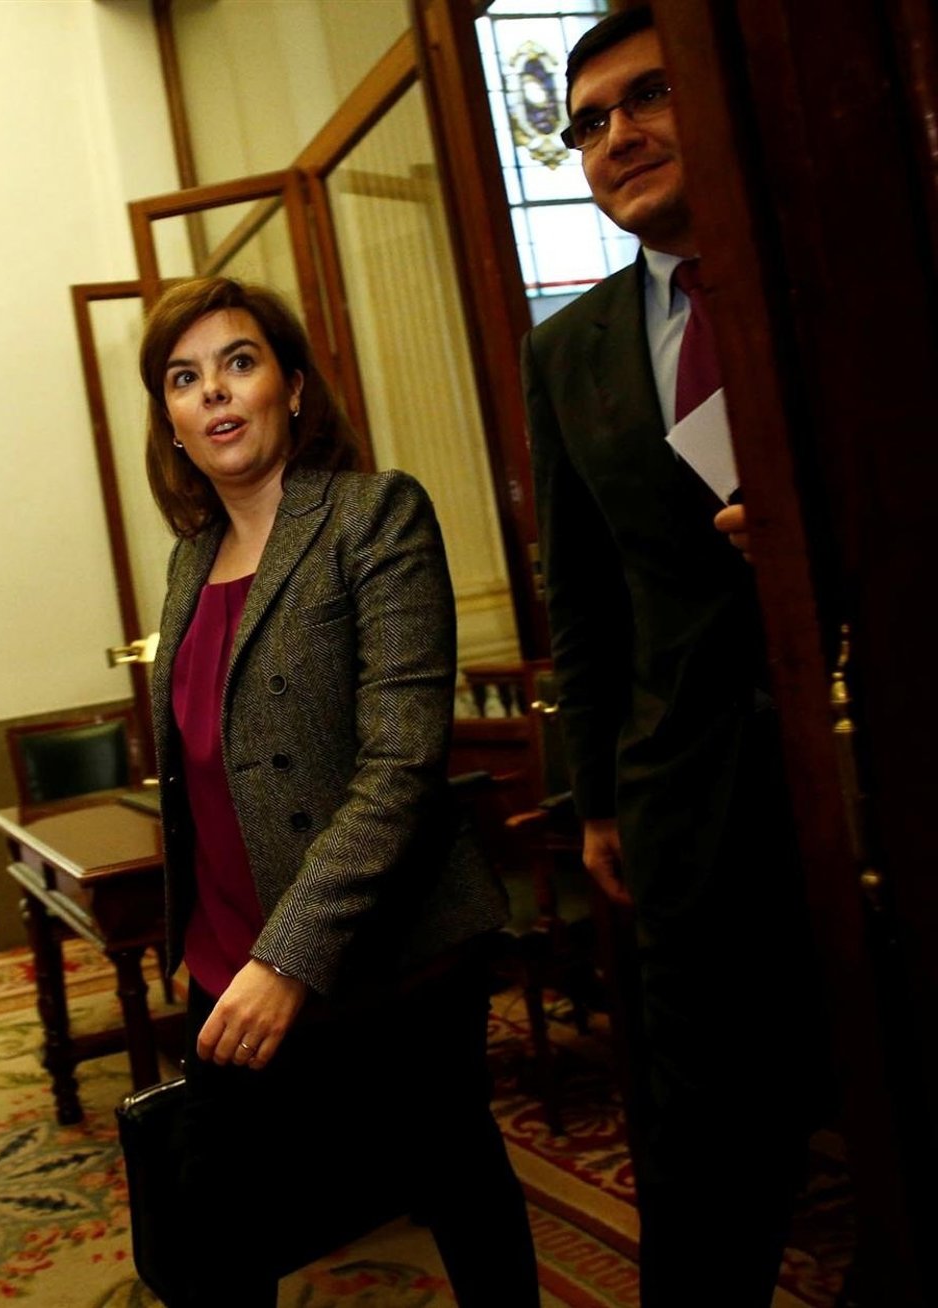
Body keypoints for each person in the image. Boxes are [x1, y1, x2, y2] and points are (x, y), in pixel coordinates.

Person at [140, 276, 541, 1307]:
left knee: (456, 1187)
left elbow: (401, 763)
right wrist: (235, 954)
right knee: (215, 1233)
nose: (214, 393)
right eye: (184, 378)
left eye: (239, 363)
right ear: (171, 422)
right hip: (228, 958)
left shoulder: (374, 514)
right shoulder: (188, 563)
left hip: (389, 951)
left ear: (293, 387)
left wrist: (292, 957)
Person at [521, 8, 824, 1306]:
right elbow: (581, 596)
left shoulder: (823, 268)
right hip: (684, 798)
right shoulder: (567, 348)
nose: (616, 137)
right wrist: (594, 795)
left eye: (645, 98)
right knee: (703, 1143)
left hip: (863, 758)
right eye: (589, 123)